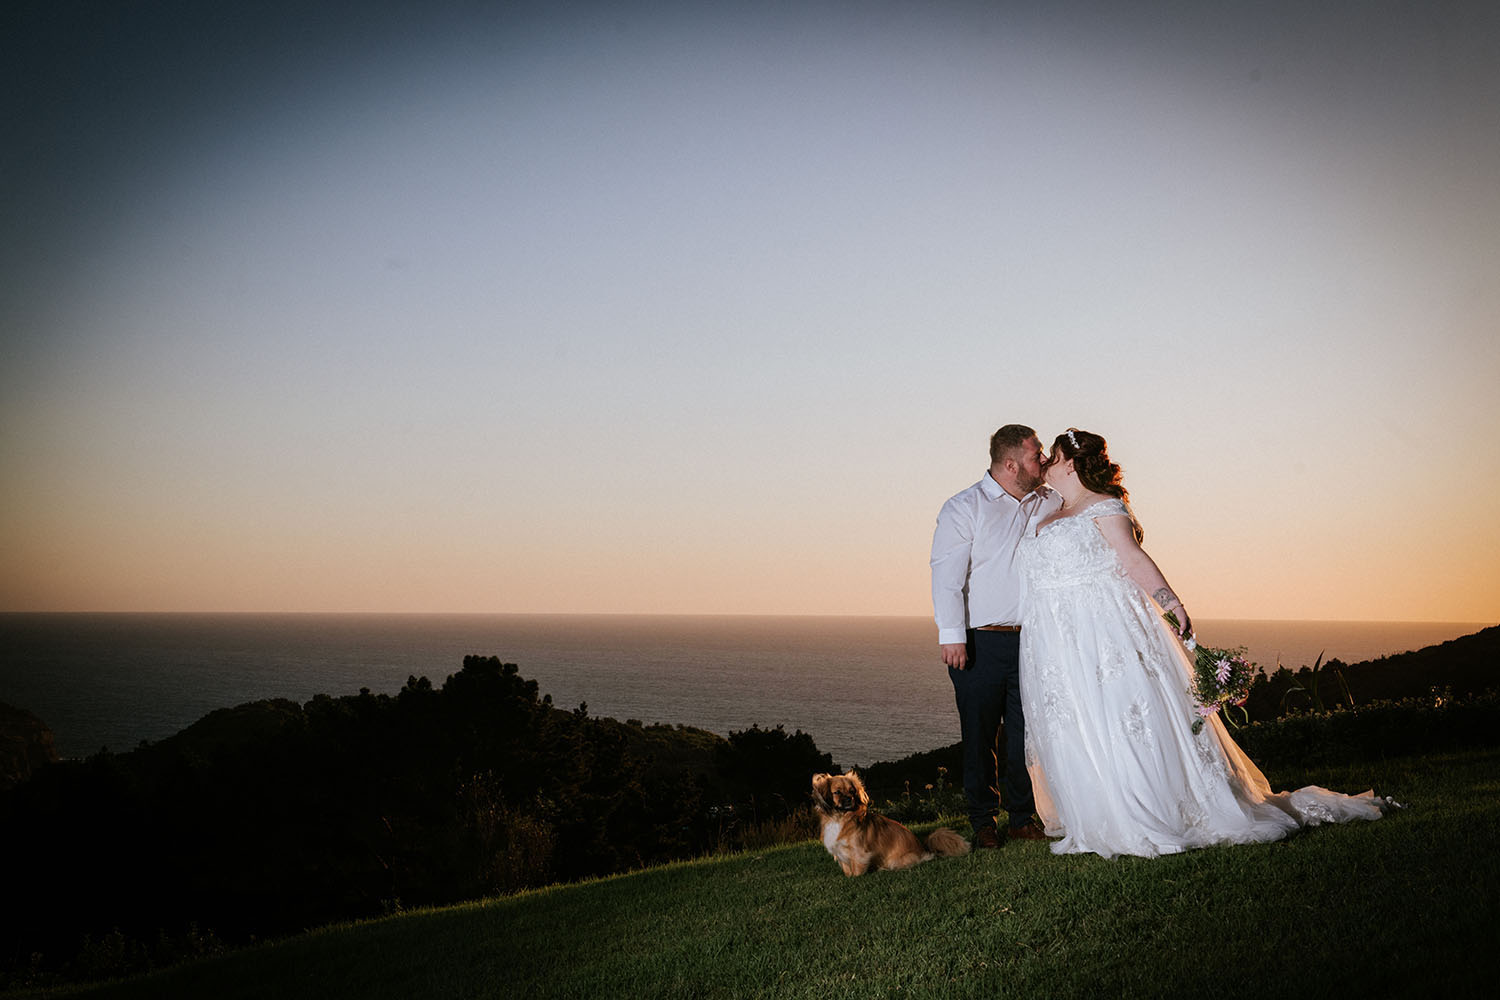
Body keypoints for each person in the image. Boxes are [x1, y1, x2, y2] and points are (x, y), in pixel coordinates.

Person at [1017, 428, 1394, 859]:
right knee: (1075, 723)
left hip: (1102, 633)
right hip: (1056, 642)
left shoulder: (1103, 507)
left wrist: (1171, 604)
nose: (1044, 461)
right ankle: (1096, 815)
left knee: (1120, 717)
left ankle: (1148, 812)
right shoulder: (1046, 512)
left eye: (1053, 454)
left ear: (1069, 463)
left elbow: (1133, 558)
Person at [930, 424, 1061, 848]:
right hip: (978, 643)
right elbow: (946, 577)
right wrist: (952, 637)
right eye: (1034, 454)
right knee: (979, 735)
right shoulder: (963, 507)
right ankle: (983, 821)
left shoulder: (1047, 500)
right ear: (1010, 464)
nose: (1041, 459)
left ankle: (1023, 817)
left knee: (1026, 735)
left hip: (1033, 641)